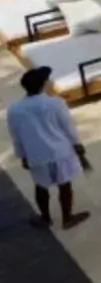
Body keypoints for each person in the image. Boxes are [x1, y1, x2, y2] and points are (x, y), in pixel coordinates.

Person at [8, 67, 91, 229]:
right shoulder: (55, 103)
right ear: (43, 84)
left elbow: (16, 135)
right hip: (61, 151)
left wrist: (23, 155)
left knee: (40, 186)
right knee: (65, 184)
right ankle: (67, 218)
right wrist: (77, 144)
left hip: (36, 154)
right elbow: (68, 127)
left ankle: (45, 218)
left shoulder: (14, 109)